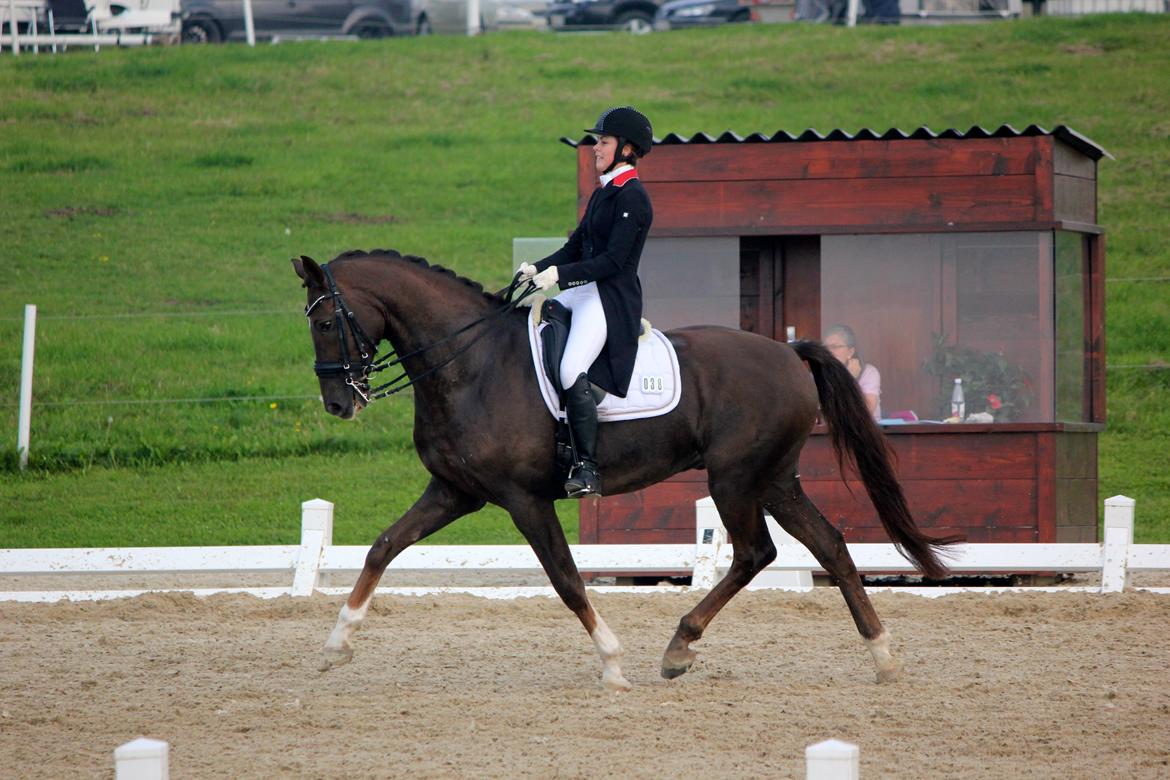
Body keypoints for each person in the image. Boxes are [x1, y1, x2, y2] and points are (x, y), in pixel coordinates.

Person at [519, 106, 654, 498]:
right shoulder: (604, 193)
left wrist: (559, 276)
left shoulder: (633, 198)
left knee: (569, 369)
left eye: (603, 141)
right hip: (581, 291)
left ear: (626, 149)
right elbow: (576, 246)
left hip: (608, 300)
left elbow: (612, 262)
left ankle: (587, 468)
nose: (595, 147)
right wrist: (536, 269)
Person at [823, 324, 881, 420]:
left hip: (864, 431)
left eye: (835, 347)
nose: (829, 352)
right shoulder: (818, 375)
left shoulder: (869, 372)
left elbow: (866, 411)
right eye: (825, 348)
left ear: (850, 351)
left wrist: (849, 379)